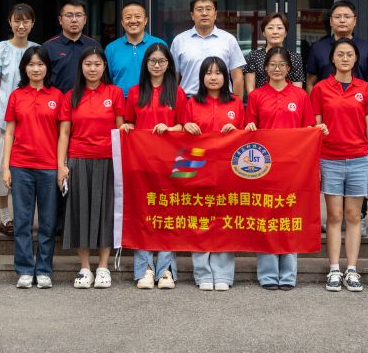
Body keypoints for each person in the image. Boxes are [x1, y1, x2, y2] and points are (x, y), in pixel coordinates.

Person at [305, 0, 368, 236]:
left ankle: (360, 217)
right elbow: (311, 82)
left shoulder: (367, 48)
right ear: (330, 21)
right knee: (334, 206)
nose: (342, 20)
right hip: (329, 123)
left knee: (357, 188)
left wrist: (364, 105)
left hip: (357, 118)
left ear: (355, 21)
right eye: (337, 16)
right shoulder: (319, 48)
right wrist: (320, 112)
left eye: (347, 16)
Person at [309, 38, 368, 293]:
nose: (345, 58)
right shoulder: (320, 88)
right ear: (332, 59)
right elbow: (316, 126)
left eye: (349, 54)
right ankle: (334, 269)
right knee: (335, 216)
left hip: (359, 158)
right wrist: (316, 160)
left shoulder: (365, 88)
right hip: (330, 159)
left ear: (356, 59)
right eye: (340, 54)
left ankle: (352, 269)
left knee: (354, 216)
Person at [245, 47, 316, 291]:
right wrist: (250, 127)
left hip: (293, 167)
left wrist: (318, 131)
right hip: (264, 167)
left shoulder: (300, 95)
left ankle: (288, 274)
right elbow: (249, 128)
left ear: (289, 68)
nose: (277, 69)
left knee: (289, 217)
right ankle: (267, 273)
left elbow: (308, 129)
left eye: (282, 65)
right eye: (273, 65)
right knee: (265, 217)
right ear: (265, 68)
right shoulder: (256, 96)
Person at [57, 46, 125, 289]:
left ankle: (103, 266)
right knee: (80, 213)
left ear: (104, 66)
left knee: (106, 212)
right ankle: (85, 267)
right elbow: (64, 133)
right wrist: (61, 165)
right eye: (88, 64)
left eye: (97, 64)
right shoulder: (71, 95)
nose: (92, 69)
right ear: (81, 67)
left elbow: (120, 129)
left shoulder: (115, 93)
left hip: (108, 159)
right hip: (78, 159)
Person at [121, 43, 185, 290]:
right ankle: (145, 268)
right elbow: (129, 122)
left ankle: (166, 269)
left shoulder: (177, 92)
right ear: (145, 64)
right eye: (152, 61)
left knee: (168, 215)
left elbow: (184, 126)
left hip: (170, 163)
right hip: (141, 163)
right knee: (144, 215)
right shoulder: (135, 92)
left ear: (169, 64)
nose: (157, 65)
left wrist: (170, 129)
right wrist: (127, 126)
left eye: (162, 61)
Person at [178, 57, 244, 291]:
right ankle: (203, 273)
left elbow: (246, 136)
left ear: (226, 77)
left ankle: (223, 274)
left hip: (227, 170)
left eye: (218, 73)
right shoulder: (191, 103)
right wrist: (186, 126)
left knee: (225, 221)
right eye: (208, 73)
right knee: (200, 220)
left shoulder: (236, 103)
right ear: (201, 77)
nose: (213, 77)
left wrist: (236, 130)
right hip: (198, 168)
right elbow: (181, 137)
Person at [2, 46, 65, 289]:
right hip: (21, 165)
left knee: (48, 222)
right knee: (22, 221)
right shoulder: (16, 96)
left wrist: (61, 166)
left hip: (49, 167)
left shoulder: (57, 96)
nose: (36, 69)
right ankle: (25, 269)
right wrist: (6, 167)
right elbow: (9, 133)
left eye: (40, 64)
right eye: (31, 64)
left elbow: (63, 134)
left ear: (47, 68)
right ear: (24, 68)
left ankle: (44, 269)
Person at [0, 3, 39, 238]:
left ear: (32, 23)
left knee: (26, 169)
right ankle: (5, 217)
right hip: (2, 116)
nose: (21, 25)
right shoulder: (1, 49)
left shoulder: (36, 49)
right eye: (17, 21)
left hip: (31, 118)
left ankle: (23, 217)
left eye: (26, 21)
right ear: (10, 22)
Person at [170, 0, 247, 98]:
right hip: (188, 100)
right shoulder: (179, 41)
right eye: (199, 9)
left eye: (208, 9)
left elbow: (237, 77)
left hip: (222, 100)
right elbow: (173, 78)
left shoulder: (229, 40)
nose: (204, 13)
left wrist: (236, 105)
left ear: (215, 14)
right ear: (192, 15)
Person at [105, 2, 165, 98]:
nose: (133, 21)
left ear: (145, 20)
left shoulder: (159, 45)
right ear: (122, 22)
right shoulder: (111, 49)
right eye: (128, 17)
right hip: (121, 100)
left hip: (153, 99)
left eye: (137, 16)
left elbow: (167, 76)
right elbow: (106, 80)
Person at [43, 0, 101, 94]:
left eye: (78, 15)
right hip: (57, 100)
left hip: (87, 99)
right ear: (60, 20)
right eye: (69, 15)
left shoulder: (94, 45)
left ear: (85, 19)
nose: (74, 20)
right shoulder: (48, 47)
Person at [244, 12, 304, 93]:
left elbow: (297, 91)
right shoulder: (254, 56)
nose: (275, 32)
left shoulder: (294, 57)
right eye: (270, 28)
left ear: (285, 33)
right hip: (260, 99)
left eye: (279, 28)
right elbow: (250, 90)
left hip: (287, 100)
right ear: (263, 32)